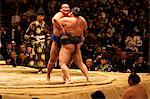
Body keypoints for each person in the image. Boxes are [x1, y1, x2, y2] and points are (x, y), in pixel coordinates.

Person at [57, 7, 91, 84]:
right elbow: (85, 28)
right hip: (77, 44)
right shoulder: (82, 20)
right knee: (80, 63)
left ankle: (69, 79)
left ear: (72, 13)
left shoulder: (66, 20)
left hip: (68, 44)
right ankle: (88, 78)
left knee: (62, 63)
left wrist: (61, 15)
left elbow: (55, 20)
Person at [47, 3, 70, 81]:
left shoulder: (70, 16)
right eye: (64, 8)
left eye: (67, 8)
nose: (66, 9)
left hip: (66, 41)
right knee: (52, 59)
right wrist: (61, 29)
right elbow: (55, 19)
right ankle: (48, 75)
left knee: (67, 60)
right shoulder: (59, 14)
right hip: (57, 40)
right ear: (61, 9)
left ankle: (64, 75)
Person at [24, 8, 50, 73]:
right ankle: (38, 67)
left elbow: (48, 34)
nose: (41, 17)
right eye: (40, 16)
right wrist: (29, 44)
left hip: (43, 42)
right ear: (37, 16)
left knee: (42, 55)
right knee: (36, 55)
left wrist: (48, 41)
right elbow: (27, 35)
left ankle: (40, 68)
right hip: (35, 42)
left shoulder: (45, 25)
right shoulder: (33, 24)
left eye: (43, 16)